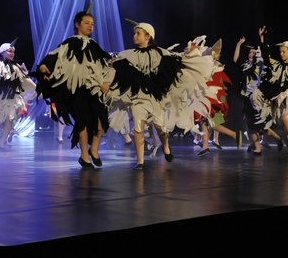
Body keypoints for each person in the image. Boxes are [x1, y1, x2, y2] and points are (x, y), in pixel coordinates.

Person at [105, 22, 212, 170]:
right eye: (135, 33)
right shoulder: (129, 54)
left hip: (155, 98)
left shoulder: (160, 53)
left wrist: (189, 52)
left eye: (138, 33)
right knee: (138, 127)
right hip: (138, 97)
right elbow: (116, 65)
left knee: (160, 128)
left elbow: (177, 59)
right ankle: (140, 161)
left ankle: (166, 146)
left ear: (148, 36)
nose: (135, 36)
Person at [35, 10, 112, 168]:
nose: (90, 26)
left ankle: (94, 149)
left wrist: (106, 81)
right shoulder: (69, 43)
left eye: (92, 24)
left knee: (101, 119)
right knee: (82, 120)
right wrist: (43, 66)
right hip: (78, 89)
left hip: (94, 88)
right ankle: (84, 155)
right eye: (87, 23)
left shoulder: (93, 45)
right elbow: (55, 55)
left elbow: (104, 64)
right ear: (77, 24)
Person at [195, 40, 242, 156]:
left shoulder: (214, 68)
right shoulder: (212, 67)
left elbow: (215, 85)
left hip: (211, 102)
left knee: (208, 123)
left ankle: (233, 135)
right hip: (210, 100)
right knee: (207, 124)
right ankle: (206, 146)